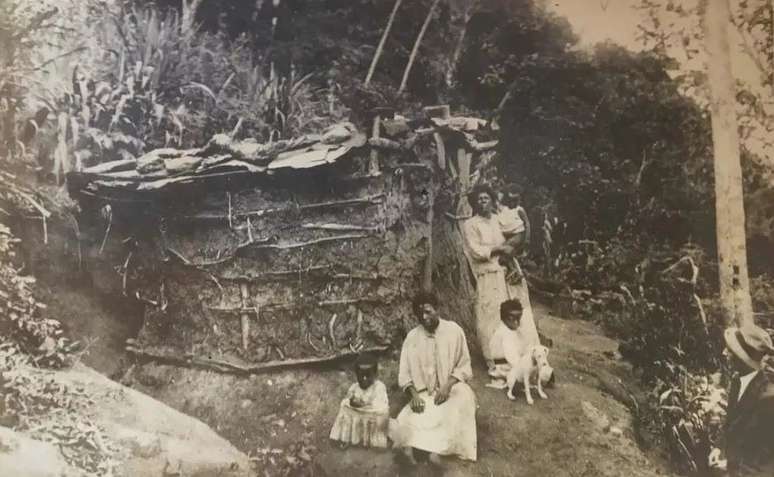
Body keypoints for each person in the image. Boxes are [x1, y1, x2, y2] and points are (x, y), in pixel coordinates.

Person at [461, 184, 539, 376]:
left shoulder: (498, 220)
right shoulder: (470, 224)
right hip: (488, 276)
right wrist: (498, 249)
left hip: (506, 273)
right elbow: (475, 251)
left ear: (492, 200)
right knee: (490, 316)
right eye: (479, 199)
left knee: (516, 314)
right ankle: (495, 360)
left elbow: (520, 229)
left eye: (486, 198)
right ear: (474, 203)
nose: (482, 202)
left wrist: (511, 246)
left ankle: (522, 358)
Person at [391, 292, 477, 464]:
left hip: (452, 389)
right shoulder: (412, 337)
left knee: (459, 405)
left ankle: (434, 449)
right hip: (425, 393)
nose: (424, 317)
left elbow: (464, 366)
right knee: (415, 417)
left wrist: (447, 386)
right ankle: (426, 448)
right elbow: (404, 374)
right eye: (419, 314)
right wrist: (414, 396)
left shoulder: (454, 331)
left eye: (428, 312)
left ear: (437, 309)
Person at [723, 323, 774, 476]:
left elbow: (764, 454)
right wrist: (719, 448)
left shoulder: (768, 398)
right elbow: (731, 424)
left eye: (730, 350)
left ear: (741, 357)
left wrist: (729, 464)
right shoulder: (736, 382)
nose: (724, 352)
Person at [329, 353, 390, 448]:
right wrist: (352, 401)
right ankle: (347, 437)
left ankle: (373, 440)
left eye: (368, 375)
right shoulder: (355, 387)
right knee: (344, 406)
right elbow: (348, 398)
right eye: (361, 376)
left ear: (375, 374)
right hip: (359, 410)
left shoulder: (379, 387)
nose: (364, 378)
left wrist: (364, 404)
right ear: (356, 374)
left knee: (382, 411)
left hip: (372, 411)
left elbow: (380, 404)